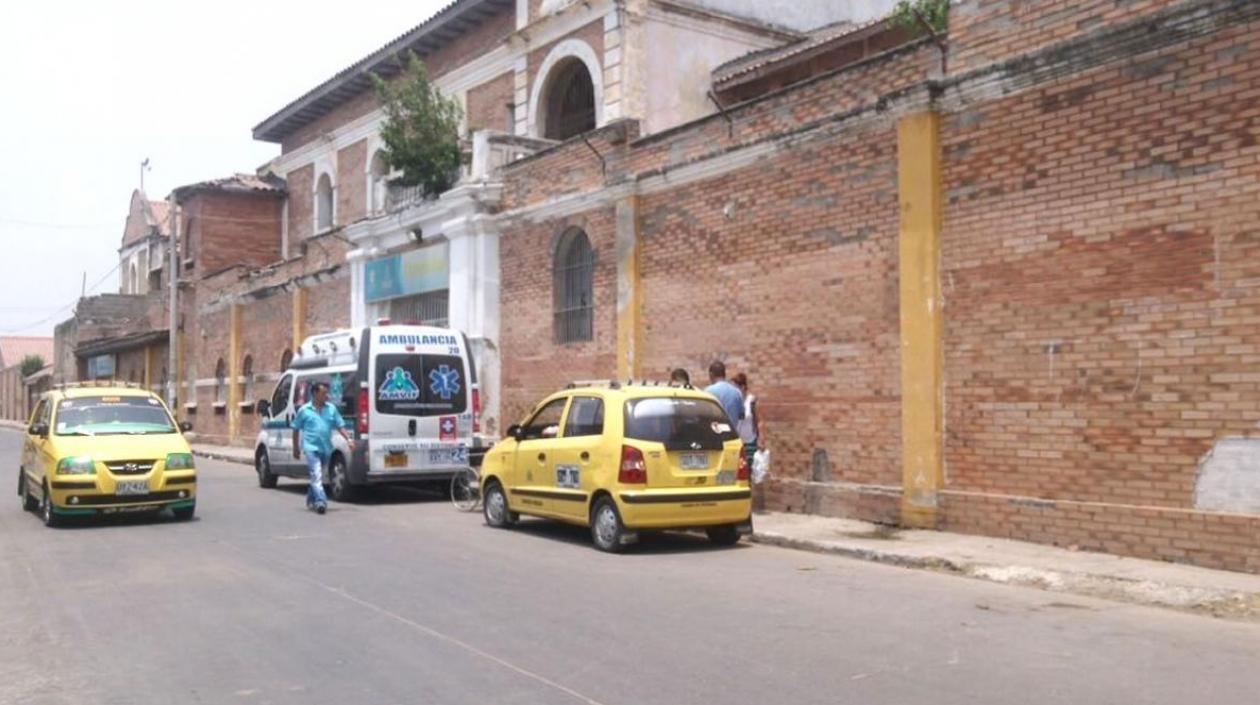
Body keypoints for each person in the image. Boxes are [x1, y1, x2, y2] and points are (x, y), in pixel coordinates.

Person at [291, 381, 355, 514]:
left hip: (326, 448)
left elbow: (340, 425)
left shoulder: (331, 409)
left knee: (317, 476)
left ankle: (311, 498)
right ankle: (321, 502)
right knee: (317, 474)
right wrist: (295, 448)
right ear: (315, 394)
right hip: (310, 447)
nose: (327, 396)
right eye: (324, 393)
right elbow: (296, 428)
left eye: (327, 393)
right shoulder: (304, 410)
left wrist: (349, 439)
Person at [731, 372, 765, 472]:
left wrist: (760, 439)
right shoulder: (734, 402)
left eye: (736, 387)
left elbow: (758, 421)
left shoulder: (751, 401)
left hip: (750, 441)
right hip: (738, 442)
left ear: (743, 387)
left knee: (749, 470)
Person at [703, 361, 744, 429]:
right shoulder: (737, 392)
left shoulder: (707, 392)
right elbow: (741, 416)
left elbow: (703, 416)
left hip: (715, 436)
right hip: (733, 436)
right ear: (724, 374)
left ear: (711, 375)